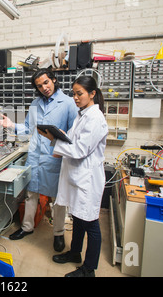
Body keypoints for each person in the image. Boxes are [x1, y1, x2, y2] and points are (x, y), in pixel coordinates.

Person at [0, 68, 78, 252]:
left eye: (46, 83)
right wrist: (11, 125)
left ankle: (58, 233)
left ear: (54, 80)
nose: (44, 88)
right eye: (40, 86)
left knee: (58, 199)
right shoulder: (35, 103)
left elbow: (74, 133)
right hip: (35, 156)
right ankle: (27, 227)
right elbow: (28, 128)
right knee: (31, 193)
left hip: (55, 158)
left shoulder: (67, 103)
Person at [38, 75, 108, 277]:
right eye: (74, 94)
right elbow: (72, 139)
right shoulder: (82, 114)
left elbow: (80, 149)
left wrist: (54, 139)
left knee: (91, 223)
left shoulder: (95, 118)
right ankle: (75, 253)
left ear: (92, 93)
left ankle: (89, 269)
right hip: (77, 175)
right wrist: (60, 134)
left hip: (88, 179)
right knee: (78, 217)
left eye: (80, 94)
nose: (75, 98)